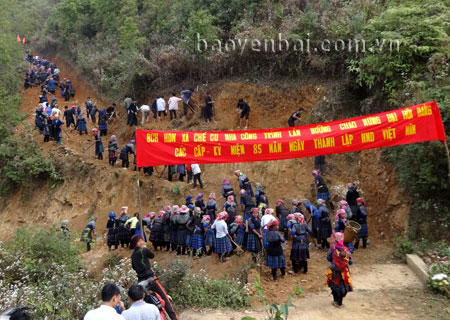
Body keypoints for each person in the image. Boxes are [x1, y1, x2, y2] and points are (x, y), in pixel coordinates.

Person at [130, 235, 178, 320]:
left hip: (141, 281)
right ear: (135, 244)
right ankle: (174, 318)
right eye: (139, 241)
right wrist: (145, 247)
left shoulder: (133, 255)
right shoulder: (143, 250)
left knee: (144, 302)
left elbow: (134, 267)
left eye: (142, 240)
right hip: (151, 279)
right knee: (165, 298)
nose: (141, 242)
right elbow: (152, 255)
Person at [326, 232, 353, 308]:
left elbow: (328, 258)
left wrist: (334, 261)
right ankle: (340, 303)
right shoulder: (346, 250)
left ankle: (335, 301)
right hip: (343, 272)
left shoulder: (332, 250)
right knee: (343, 286)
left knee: (334, 285)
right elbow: (350, 261)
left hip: (333, 270)